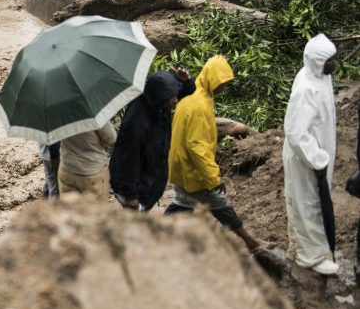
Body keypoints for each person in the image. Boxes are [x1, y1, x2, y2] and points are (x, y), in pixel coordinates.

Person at [165, 55, 269, 253]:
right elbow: (197, 146)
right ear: (213, 79)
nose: (225, 88)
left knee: (183, 205)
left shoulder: (193, 98)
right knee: (219, 204)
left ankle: (156, 235)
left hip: (181, 167)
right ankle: (252, 243)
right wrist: (213, 177)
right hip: (193, 170)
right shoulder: (199, 106)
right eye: (224, 83)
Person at [283, 34, 339, 274]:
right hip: (306, 158)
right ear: (317, 61)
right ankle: (312, 257)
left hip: (316, 154)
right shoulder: (307, 88)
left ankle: (297, 246)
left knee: (303, 202)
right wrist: (317, 159)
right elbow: (295, 132)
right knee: (310, 205)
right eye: (329, 60)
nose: (334, 64)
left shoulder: (320, 77)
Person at [109, 67, 195, 211]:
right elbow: (127, 160)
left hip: (149, 178)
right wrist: (131, 196)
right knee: (132, 226)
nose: (175, 100)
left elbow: (184, 92)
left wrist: (185, 82)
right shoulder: (136, 123)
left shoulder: (157, 103)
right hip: (135, 187)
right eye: (172, 97)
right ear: (161, 96)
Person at [57, 121, 117, 199]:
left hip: (67, 169)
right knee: (95, 209)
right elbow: (111, 138)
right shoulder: (94, 115)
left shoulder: (60, 114)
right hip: (92, 171)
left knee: (69, 209)